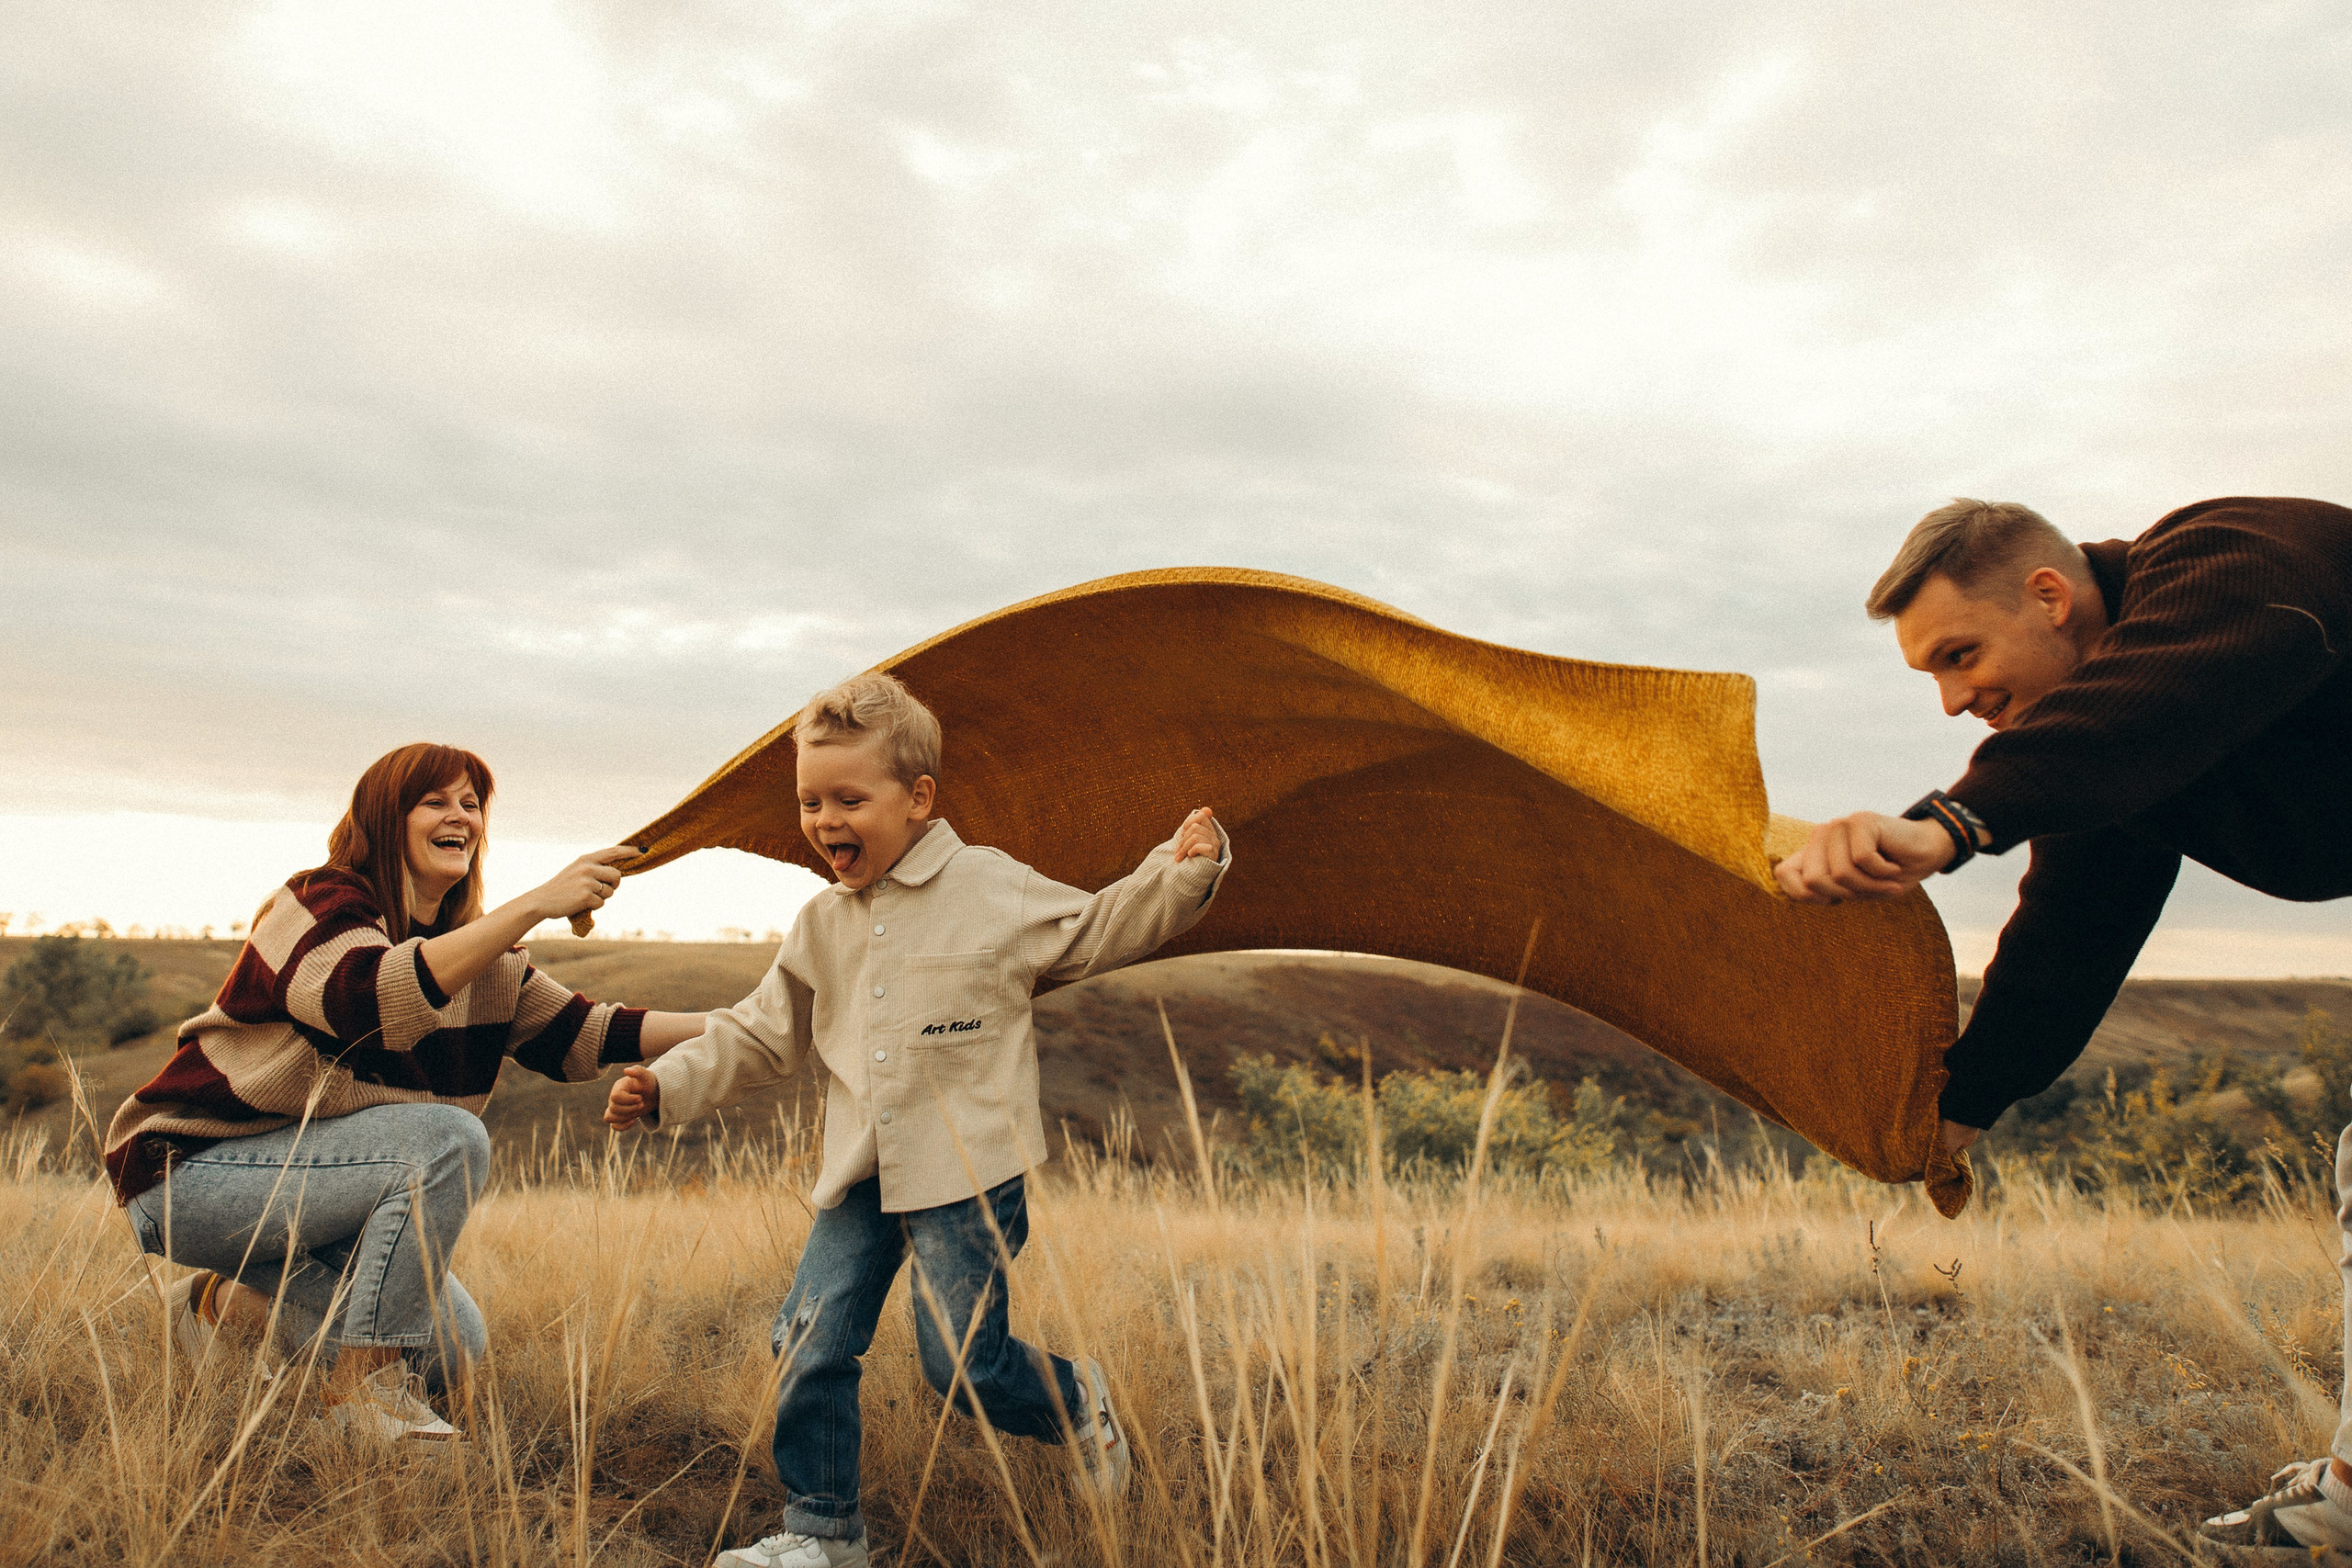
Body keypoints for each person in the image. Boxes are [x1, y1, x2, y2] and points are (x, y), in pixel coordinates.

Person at [1772, 496, 2352, 1548]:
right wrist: (1964, 1103)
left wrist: (1948, 823)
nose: (1952, 700)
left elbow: (2181, 684)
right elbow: (2073, 927)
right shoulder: (2107, 754)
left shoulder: (2224, 560)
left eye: (1960, 653)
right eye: (1932, 677)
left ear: (2049, 595)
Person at [604, 671, 1231, 1568]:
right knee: (809, 1339)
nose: (824, 821)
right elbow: (758, 1031)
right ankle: (825, 1532)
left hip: (965, 1168)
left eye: (848, 799)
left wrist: (1180, 874)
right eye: (810, 801)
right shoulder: (820, 923)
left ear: (917, 798)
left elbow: (1095, 930)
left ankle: (1077, 1400)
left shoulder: (985, 886)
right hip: (861, 1169)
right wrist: (665, 1085)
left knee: (963, 1368)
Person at [104, 741, 713, 1441]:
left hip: (311, 1192)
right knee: (446, 1138)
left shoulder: (484, 960)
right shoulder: (315, 902)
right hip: (188, 1174)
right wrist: (536, 903)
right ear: (387, 818)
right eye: (437, 800)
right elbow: (369, 1000)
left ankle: (218, 1305)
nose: (461, 815)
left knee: (453, 1352)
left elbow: (588, 1033)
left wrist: (755, 1021)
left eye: (472, 802)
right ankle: (362, 1394)